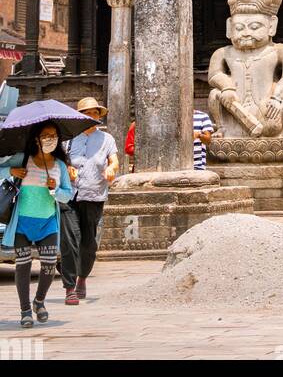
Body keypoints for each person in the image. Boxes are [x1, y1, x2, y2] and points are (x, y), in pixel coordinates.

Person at [0, 123, 74, 328]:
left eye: (54, 135)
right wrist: (10, 170)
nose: (51, 138)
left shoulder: (60, 166)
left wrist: (55, 189)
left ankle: (39, 301)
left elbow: (68, 196)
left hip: (49, 222)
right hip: (22, 223)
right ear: (36, 139)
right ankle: (25, 310)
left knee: (49, 265)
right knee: (22, 267)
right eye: (46, 135)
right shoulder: (23, 159)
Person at [59, 97, 118, 304]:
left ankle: (82, 277)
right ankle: (69, 287)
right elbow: (61, 162)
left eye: (93, 113)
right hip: (69, 195)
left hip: (93, 195)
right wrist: (67, 169)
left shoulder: (106, 139)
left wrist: (111, 169)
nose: (90, 116)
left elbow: (114, 161)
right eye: (85, 113)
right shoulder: (68, 139)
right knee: (70, 240)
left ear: (98, 116)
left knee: (88, 242)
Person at [123, 109, 214, 171]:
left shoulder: (201, 116)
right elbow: (129, 148)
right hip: (155, 167)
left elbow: (208, 140)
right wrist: (152, 150)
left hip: (196, 164)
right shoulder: (137, 125)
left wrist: (198, 135)